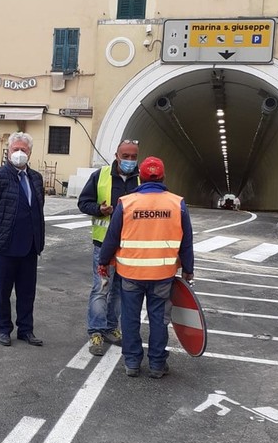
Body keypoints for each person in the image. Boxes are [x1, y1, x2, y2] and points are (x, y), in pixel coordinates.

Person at [97, 156, 194, 379]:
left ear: (140, 176)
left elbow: (112, 238)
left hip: (130, 273)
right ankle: (157, 364)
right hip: (162, 274)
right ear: (163, 176)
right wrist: (188, 269)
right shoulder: (176, 203)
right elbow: (186, 241)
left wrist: (103, 262)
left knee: (130, 319)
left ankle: (132, 363)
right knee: (159, 319)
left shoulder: (127, 203)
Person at [0, 132, 45, 347]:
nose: (19, 153)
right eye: (15, 149)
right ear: (8, 151)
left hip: (30, 246)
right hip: (4, 245)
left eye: (23, 150)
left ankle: (26, 329)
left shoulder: (35, 178)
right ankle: (4, 329)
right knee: (3, 291)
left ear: (30, 153)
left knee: (27, 292)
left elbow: (38, 207)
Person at [77, 139, 140, 356]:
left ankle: (111, 328)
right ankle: (96, 331)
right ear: (117, 155)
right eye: (126, 156)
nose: (130, 160)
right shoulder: (100, 175)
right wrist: (99, 209)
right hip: (103, 245)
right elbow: (83, 203)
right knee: (101, 288)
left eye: (133, 156)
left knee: (120, 291)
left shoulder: (142, 180)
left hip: (129, 246)